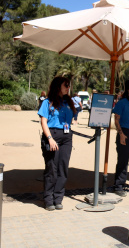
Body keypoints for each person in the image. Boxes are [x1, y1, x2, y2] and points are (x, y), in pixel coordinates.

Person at [38, 77, 76, 211]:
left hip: (66, 137)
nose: (68, 87)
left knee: (63, 168)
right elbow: (43, 121)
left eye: (69, 85)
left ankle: (58, 198)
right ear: (57, 86)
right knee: (51, 169)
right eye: (65, 85)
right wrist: (49, 138)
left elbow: (71, 120)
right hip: (52, 136)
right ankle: (48, 199)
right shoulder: (47, 102)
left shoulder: (69, 102)